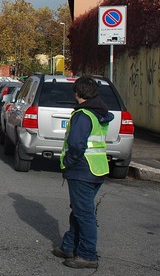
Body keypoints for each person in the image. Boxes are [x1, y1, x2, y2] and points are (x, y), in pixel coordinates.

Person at [53, 76, 114, 269]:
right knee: (80, 211)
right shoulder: (99, 112)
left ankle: (87, 254)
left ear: (77, 93)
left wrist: (68, 162)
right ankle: (69, 246)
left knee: (84, 214)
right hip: (97, 168)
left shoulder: (83, 115)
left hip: (82, 170)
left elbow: (77, 144)